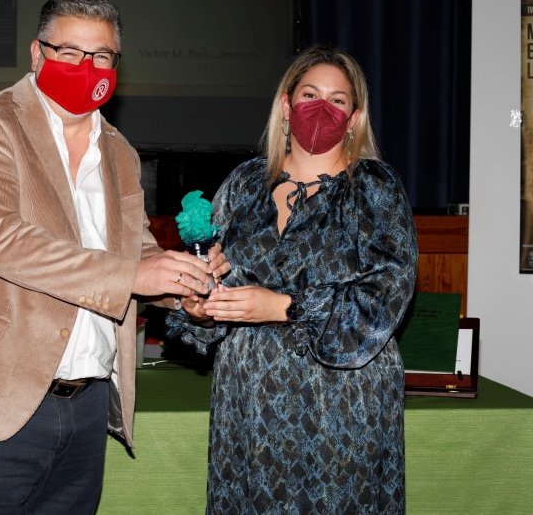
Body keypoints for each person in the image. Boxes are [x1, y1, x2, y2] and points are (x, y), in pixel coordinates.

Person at [0, 0, 229, 514]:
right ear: (37, 53)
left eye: (101, 56)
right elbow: (2, 242)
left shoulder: (120, 151)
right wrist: (135, 275)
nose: (86, 66)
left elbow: (136, 251)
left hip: (86, 410)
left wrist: (185, 287)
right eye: (70, 52)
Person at [166, 44, 418, 514]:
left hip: (342, 405)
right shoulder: (243, 184)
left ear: (354, 118)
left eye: (338, 100)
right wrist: (201, 308)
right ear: (286, 105)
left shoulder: (375, 188)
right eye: (310, 95)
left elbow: (385, 298)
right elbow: (212, 282)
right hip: (248, 403)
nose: (322, 108)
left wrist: (282, 307)